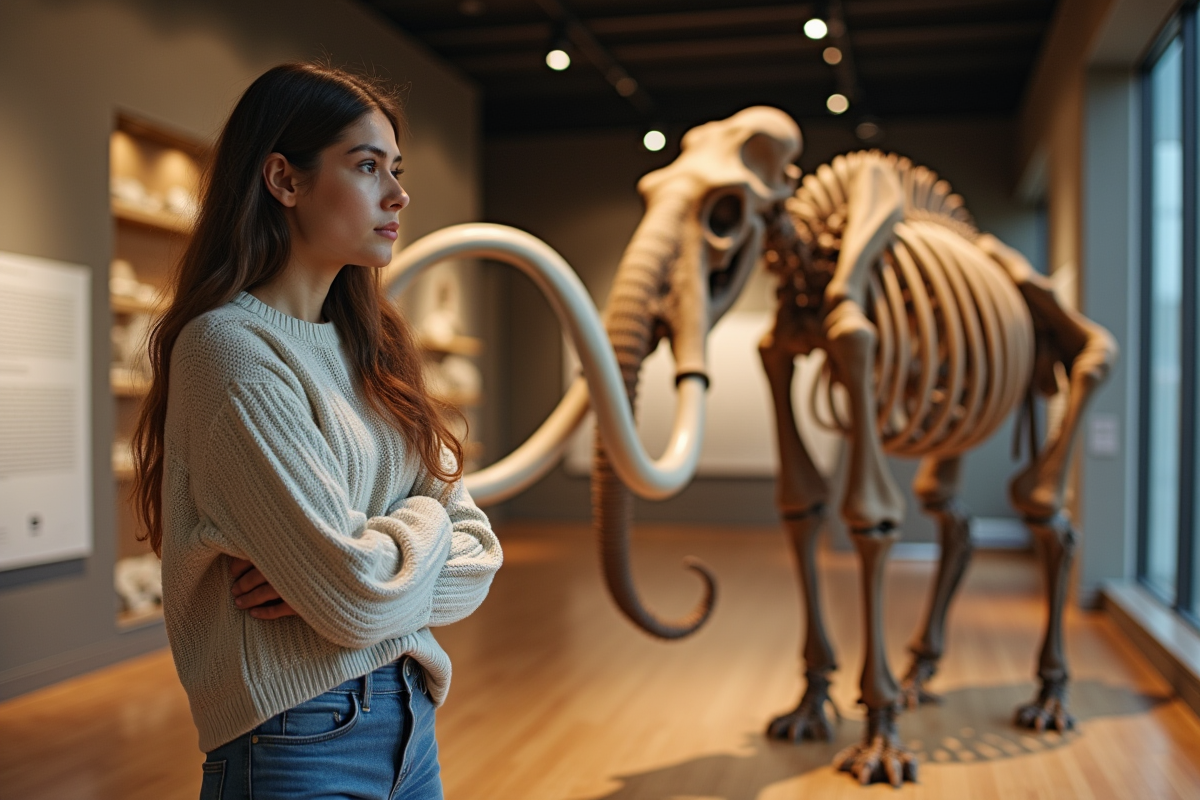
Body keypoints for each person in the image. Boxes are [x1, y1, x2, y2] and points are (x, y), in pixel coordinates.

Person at [131, 62, 502, 800]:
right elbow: (357, 594)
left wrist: (366, 557)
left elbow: (480, 556)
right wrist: (409, 534)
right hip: (299, 736)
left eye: (395, 169)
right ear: (284, 179)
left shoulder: (374, 347)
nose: (397, 195)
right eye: (367, 167)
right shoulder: (228, 350)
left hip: (410, 718)